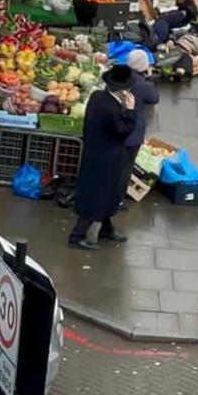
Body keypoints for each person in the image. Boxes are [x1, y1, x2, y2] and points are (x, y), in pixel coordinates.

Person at [69, 66, 138, 250]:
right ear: (123, 90)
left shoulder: (97, 97)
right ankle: (77, 236)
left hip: (94, 154)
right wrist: (130, 112)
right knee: (96, 197)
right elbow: (123, 131)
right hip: (106, 159)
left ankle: (107, 229)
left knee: (107, 195)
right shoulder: (112, 109)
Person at [117, 50, 160, 211]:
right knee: (125, 167)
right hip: (132, 133)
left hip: (114, 128)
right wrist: (149, 78)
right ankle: (118, 199)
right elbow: (154, 98)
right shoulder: (143, 85)